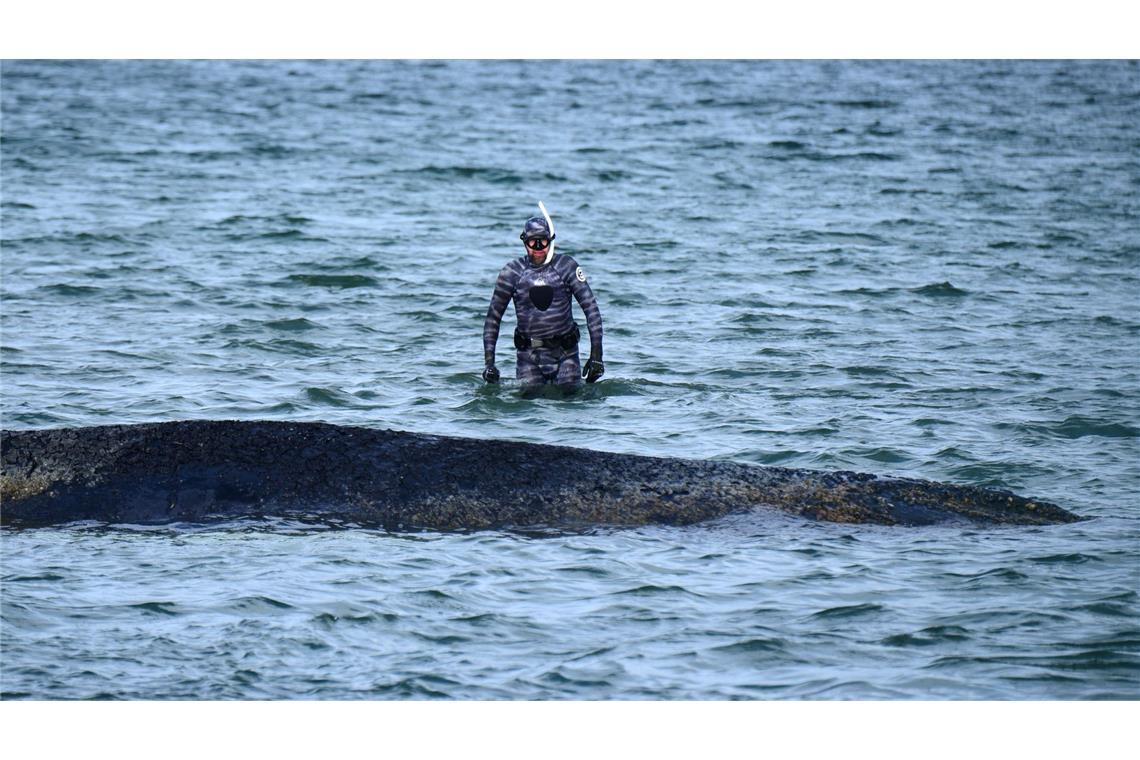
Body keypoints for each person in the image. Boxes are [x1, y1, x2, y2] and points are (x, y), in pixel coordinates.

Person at [482, 210, 604, 391]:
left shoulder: (566, 267)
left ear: (550, 241)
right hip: (528, 356)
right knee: (528, 401)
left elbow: (591, 309)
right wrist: (489, 364)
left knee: (571, 399)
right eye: (533, 242)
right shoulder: (512, 272)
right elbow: (493, 319)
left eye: (543, 241)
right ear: (524, 242)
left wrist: (596, 357)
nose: (538, 247)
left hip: (566, 355)